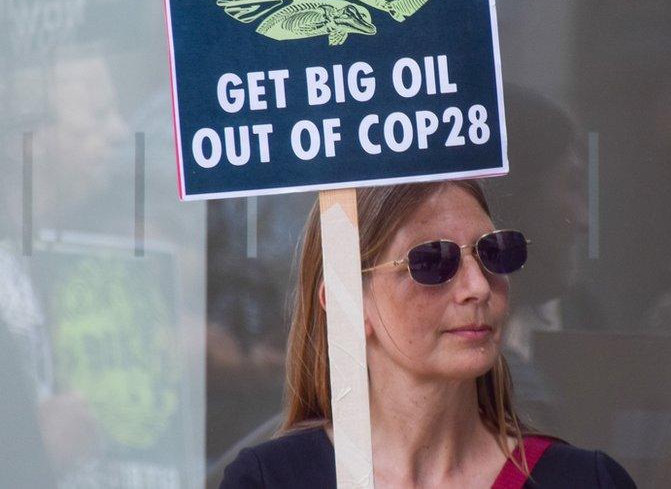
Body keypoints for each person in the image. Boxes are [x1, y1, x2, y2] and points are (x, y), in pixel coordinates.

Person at [220, 181, 635, 488]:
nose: (478, 286)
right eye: (432, 261)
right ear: (349, 303)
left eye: (494, 251)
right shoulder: (269, 481)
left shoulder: (586, 481)